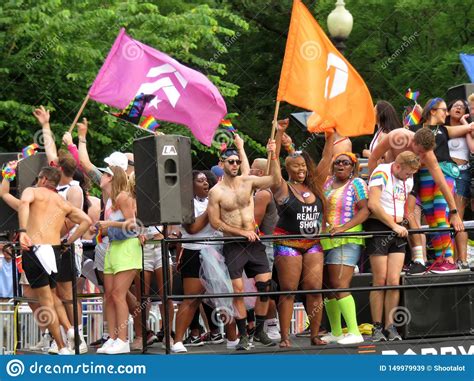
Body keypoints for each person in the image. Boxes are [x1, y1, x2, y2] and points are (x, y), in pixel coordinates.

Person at [208, 139, 280, 351]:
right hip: (233, 243)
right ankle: (243, 335)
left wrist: (273, 155)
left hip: (254, 242)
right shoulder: (216, 192)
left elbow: (275, 179)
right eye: (230, 161)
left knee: (265, 287)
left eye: (237, 161)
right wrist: (241, 232)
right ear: (222, 164)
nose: (235, 165)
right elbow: (215, 222)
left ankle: (258, 331)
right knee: (237, 291)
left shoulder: (247, 182)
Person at [270, 120, 335, 348]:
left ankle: (315, 335)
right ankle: (285, 337)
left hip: (313, 243)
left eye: (304, 166)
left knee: (315, 290)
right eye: (296, 166)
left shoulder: (315, 185)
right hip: (287, 242)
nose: (301, 170)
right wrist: (279, 134)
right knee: (288, 290)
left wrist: (330, 135)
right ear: (288, 168)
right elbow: (273, 166)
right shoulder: (281, 187)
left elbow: (327, 159)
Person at [18, 166, 91, 355]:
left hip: (36, 248)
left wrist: (23, 232)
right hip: (55, 249)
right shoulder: (61, 201)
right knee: (52, 295)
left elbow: (24, 203)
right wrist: (69, 242)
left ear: (42, 179)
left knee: (46, 301)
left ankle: (61, 346)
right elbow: (86, 221)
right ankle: (70, 330)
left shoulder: (32, 191)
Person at [407, 98, 473, 272]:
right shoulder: (414, 130)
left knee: (440, 214)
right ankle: (440, 259)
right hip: (423, 176)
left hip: (445, 174)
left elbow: (470, 127)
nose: (447, 112)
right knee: (431, 217)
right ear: (432, 111)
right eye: (444, 109)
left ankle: (449, 259)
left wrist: (467, 118)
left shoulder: (445, 129)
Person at [366, 151, 421, 341]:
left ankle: (391, 327)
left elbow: (407, 207)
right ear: (397, 166)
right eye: (407, 173)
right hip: (380, 227)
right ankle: (377, 327)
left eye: (412, 174)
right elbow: (373, 203)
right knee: (379, 280)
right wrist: (393, 225)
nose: (409, 177)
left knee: (393, 280)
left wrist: (406, 226)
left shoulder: (410, 179)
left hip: (399, 230)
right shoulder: (381, 172)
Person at [171, 171, 225, 353]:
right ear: (190, 185)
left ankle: (234, 339)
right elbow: (193, 228)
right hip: (195, 252)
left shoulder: (216, 200)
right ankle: (177, 341)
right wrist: (212, 206)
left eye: (206, 180)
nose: (205, 183)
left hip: (218, 252)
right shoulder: (185, 203)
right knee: (192, 299)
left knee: (225, 297)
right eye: (200, 180)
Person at [320, 152, 369, 345]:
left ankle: (355, 332)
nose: (341, 165)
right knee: (328, 287)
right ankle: (336, 331)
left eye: (346, 163)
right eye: (337, 162)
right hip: (325, 240)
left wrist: (342, 228)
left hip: (347, 238)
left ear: (352, 167)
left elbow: (366, 210)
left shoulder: (357, 183)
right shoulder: (326, 183)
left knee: (340, 285)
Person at [95, 166, 142, 354]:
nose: (101, 177)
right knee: (110, 296)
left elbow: (133, 224)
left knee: (117, 295)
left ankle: (123, 339)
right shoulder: (111, 199)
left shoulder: (123, 196)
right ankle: (113, 338)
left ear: (111, 177)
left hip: (127, 247)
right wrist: (100, 228)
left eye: (105, 174)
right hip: (113, 247)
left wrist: (109, 224)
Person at [249, 158, 280, 340]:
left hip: (263, 245)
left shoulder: (262, 194)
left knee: (264, 286)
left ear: (260, 174)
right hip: (262, 245)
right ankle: (267, 325)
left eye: (251, 170)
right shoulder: (261, 191)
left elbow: (254, 224)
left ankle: (271, 325)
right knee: (262, 286)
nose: (248, 173)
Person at [447, 99, 474, 271]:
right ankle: (448, 259)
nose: (459, 108)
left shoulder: (468, 128)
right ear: (447, 110)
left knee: (458, 217)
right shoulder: (443, 130)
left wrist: (465, 121)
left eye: (462, 107)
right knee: (445, 218)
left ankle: (462, 259)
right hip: (444, 174)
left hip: (462, 174)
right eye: (455, 106)